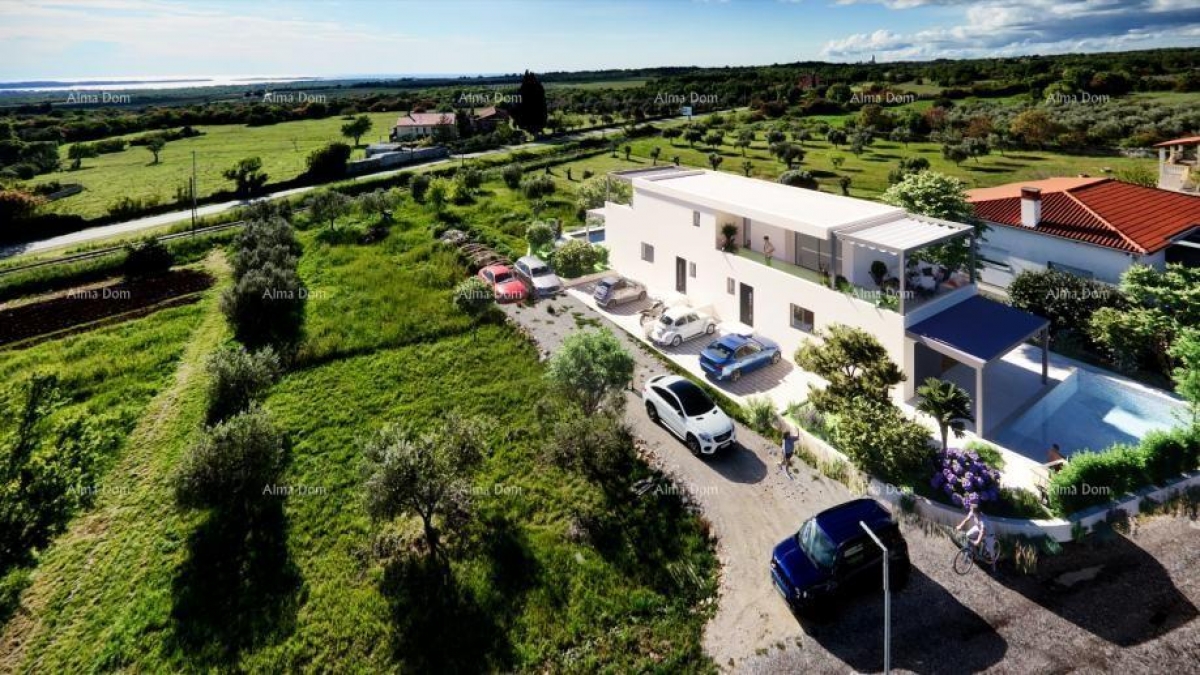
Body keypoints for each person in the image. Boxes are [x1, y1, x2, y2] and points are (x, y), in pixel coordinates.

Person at [956, 502, 997, 572]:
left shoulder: (983, 520)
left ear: (976, 512)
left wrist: (978, 541)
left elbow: (982, 532)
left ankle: (993, 564)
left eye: (971, 509)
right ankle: (970, 552)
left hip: (988, 534)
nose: (970, 510)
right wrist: (960, 526)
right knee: (968, 535)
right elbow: (966, 519)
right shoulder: (972, 513)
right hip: (978, 528)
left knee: (991, 551)